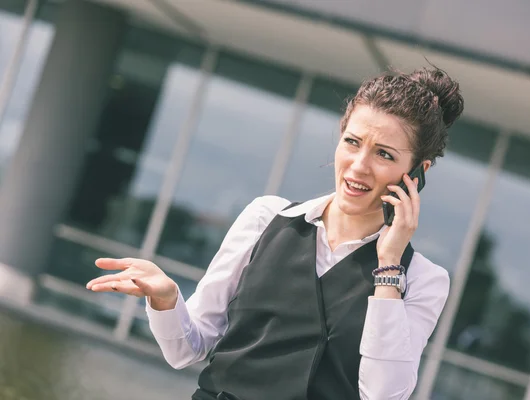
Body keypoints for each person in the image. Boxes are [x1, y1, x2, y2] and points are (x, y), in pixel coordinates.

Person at [86, 66, 464, 400]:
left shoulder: (421, 279)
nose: (359, 166)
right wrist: (167, 300)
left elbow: (382, 395)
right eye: (352, 142)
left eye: (384, 154)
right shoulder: (265, 218)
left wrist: (389, 266)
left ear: (416, 173)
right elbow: (187, 350)